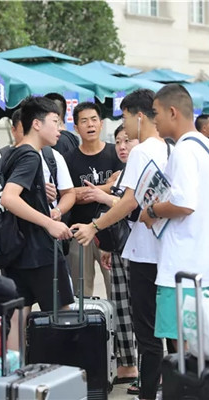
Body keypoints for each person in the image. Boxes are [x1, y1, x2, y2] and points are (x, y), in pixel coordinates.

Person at [73, 89, 171, 400]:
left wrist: (94, 226)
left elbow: (129, 201)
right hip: (165, 251)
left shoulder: (142, 152)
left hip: (144, 253)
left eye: (126, 117)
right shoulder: (168, 148)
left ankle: (148, 391)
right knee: (166, 328)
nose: (124, 126)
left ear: (139, 116)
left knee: (147, 333)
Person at [139, 84, 209, 350]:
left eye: (156, 112)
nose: (154, 119)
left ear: (172, 112)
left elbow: (184, 203)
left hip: (181, 269)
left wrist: (151, 211)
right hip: (208, 268)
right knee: (202, 348)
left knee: (183, 351)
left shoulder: (183, 150)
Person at [0, 96, 74, 329]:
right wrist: (49, 223)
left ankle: (15, 357)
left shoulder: (11, 154)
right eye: (55, 122)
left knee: (16, 322)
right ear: (37, 124)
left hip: (15, 251)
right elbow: (9, 198)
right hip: (41, 251)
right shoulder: (32, 156)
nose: (60, 129)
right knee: (61, 321)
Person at [64, 102, 124, 298]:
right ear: (76, 127)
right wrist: (107, 187)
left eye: (93, 119)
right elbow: (68, 195)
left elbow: (121, 190)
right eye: (84, 121)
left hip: (111, 229)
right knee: (80, 292)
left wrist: (86, 192)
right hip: (80, 230)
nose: (90, 125)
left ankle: (114, 320)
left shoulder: (115, 152)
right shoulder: (69, 159)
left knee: (115, 288)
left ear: (101, 123)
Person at [0, 109, 76, 223]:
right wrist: (37, 194)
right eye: (24, 131)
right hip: (10, 227)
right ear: (13, 130)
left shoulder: (53, 156)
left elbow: (69, 193)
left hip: (44, 228)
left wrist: (57, 211)